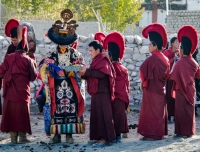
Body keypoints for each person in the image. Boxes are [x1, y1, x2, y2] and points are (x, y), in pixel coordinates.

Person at [38, 9, 85, 144]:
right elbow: (43, 66)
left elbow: (82, 67)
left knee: (71, 110)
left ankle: (69, 135)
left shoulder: (75, 54)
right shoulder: (51, 53)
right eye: (61, 39)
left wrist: (69, 69)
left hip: (71, 87)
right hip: (55, 88)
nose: (63, 42)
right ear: (57, 40)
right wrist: (50, 68)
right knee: (56, 110)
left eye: (66, 39)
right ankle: (56, 135)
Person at [0, 26, 37, 144]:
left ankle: (13, 138)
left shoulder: (9, 57)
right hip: (22, 91)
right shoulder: (28, 60)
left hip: (10, 90)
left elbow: (1, 71)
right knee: (22, 112)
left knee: (10, 111)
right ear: (25, 48)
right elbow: (33, 76)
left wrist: (7, 77)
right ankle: (22, 137)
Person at [78, 40, 116, 147]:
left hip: (103, 92)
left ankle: (106, 138)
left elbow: (102, 74)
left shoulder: (103, 60)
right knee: (96, 116)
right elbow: (92, 73)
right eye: (89, 51)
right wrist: (83, 74)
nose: (90, 53)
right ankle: (97, 137)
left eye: (91, 51)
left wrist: (87, 72)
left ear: (98, 50)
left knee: (104, 116)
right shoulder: (95, 60)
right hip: (96, 93)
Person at [137, 23, 170, 140]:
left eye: (150, 44)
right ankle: (159, 132)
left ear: (155, 45)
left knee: (150, 112)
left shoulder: (151, 59)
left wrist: (144, 82)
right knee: (159, 112)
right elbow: (166, 75)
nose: (149, 46)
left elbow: (142, 73)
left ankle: (151, 134)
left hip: (151, 89)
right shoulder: (166, 59)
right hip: (161, 89)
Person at [170, 25, 200, 137]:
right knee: (189, 111)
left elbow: (172, 76)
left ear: (182, 49)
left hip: (180, 91)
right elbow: (198, 75)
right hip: (191, 90)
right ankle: (190, 131)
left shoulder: (179, 63)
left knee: (181, 111)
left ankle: (180, 131)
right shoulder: (194, 63)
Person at [103, 32, 129, 143]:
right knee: (120, 116)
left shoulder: (108, 68)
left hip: (112, 97)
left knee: (111, 116)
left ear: (110, 54)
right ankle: (118, 136)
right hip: (122, 97)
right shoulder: (123, 68)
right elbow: (127, 85)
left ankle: (113, 136)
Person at [163, 37, 180, 122]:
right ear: (172, 43)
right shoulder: (167, 52)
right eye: (176, 42)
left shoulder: (179, 53)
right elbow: (164, 64)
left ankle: (175, 114)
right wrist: (172, 59)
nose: (178, 44)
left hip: (176, 78)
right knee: (169, 96)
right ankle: (169, 115)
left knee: (176, 97)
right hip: (169, 77)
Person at [192, 49, 200, 116]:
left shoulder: (193, 60)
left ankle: (194, 110)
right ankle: (195, 110)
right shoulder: (195, 61)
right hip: (195, 81)